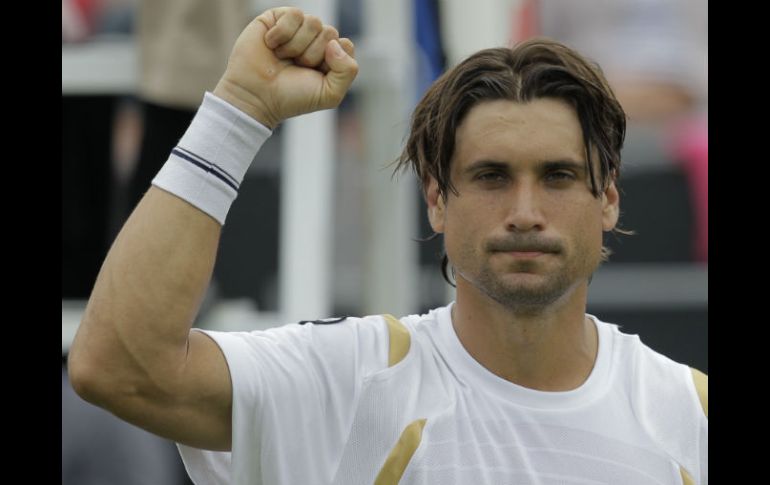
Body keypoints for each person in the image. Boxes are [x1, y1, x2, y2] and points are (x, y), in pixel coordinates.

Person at [68, 7, 708, 485]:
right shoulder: (347, 383)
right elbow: (118, 364)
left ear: (610, 199)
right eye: (490, 176)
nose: (524, 213)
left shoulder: (690, 416)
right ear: (435, 199)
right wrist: (238, 111)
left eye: (558, 176)